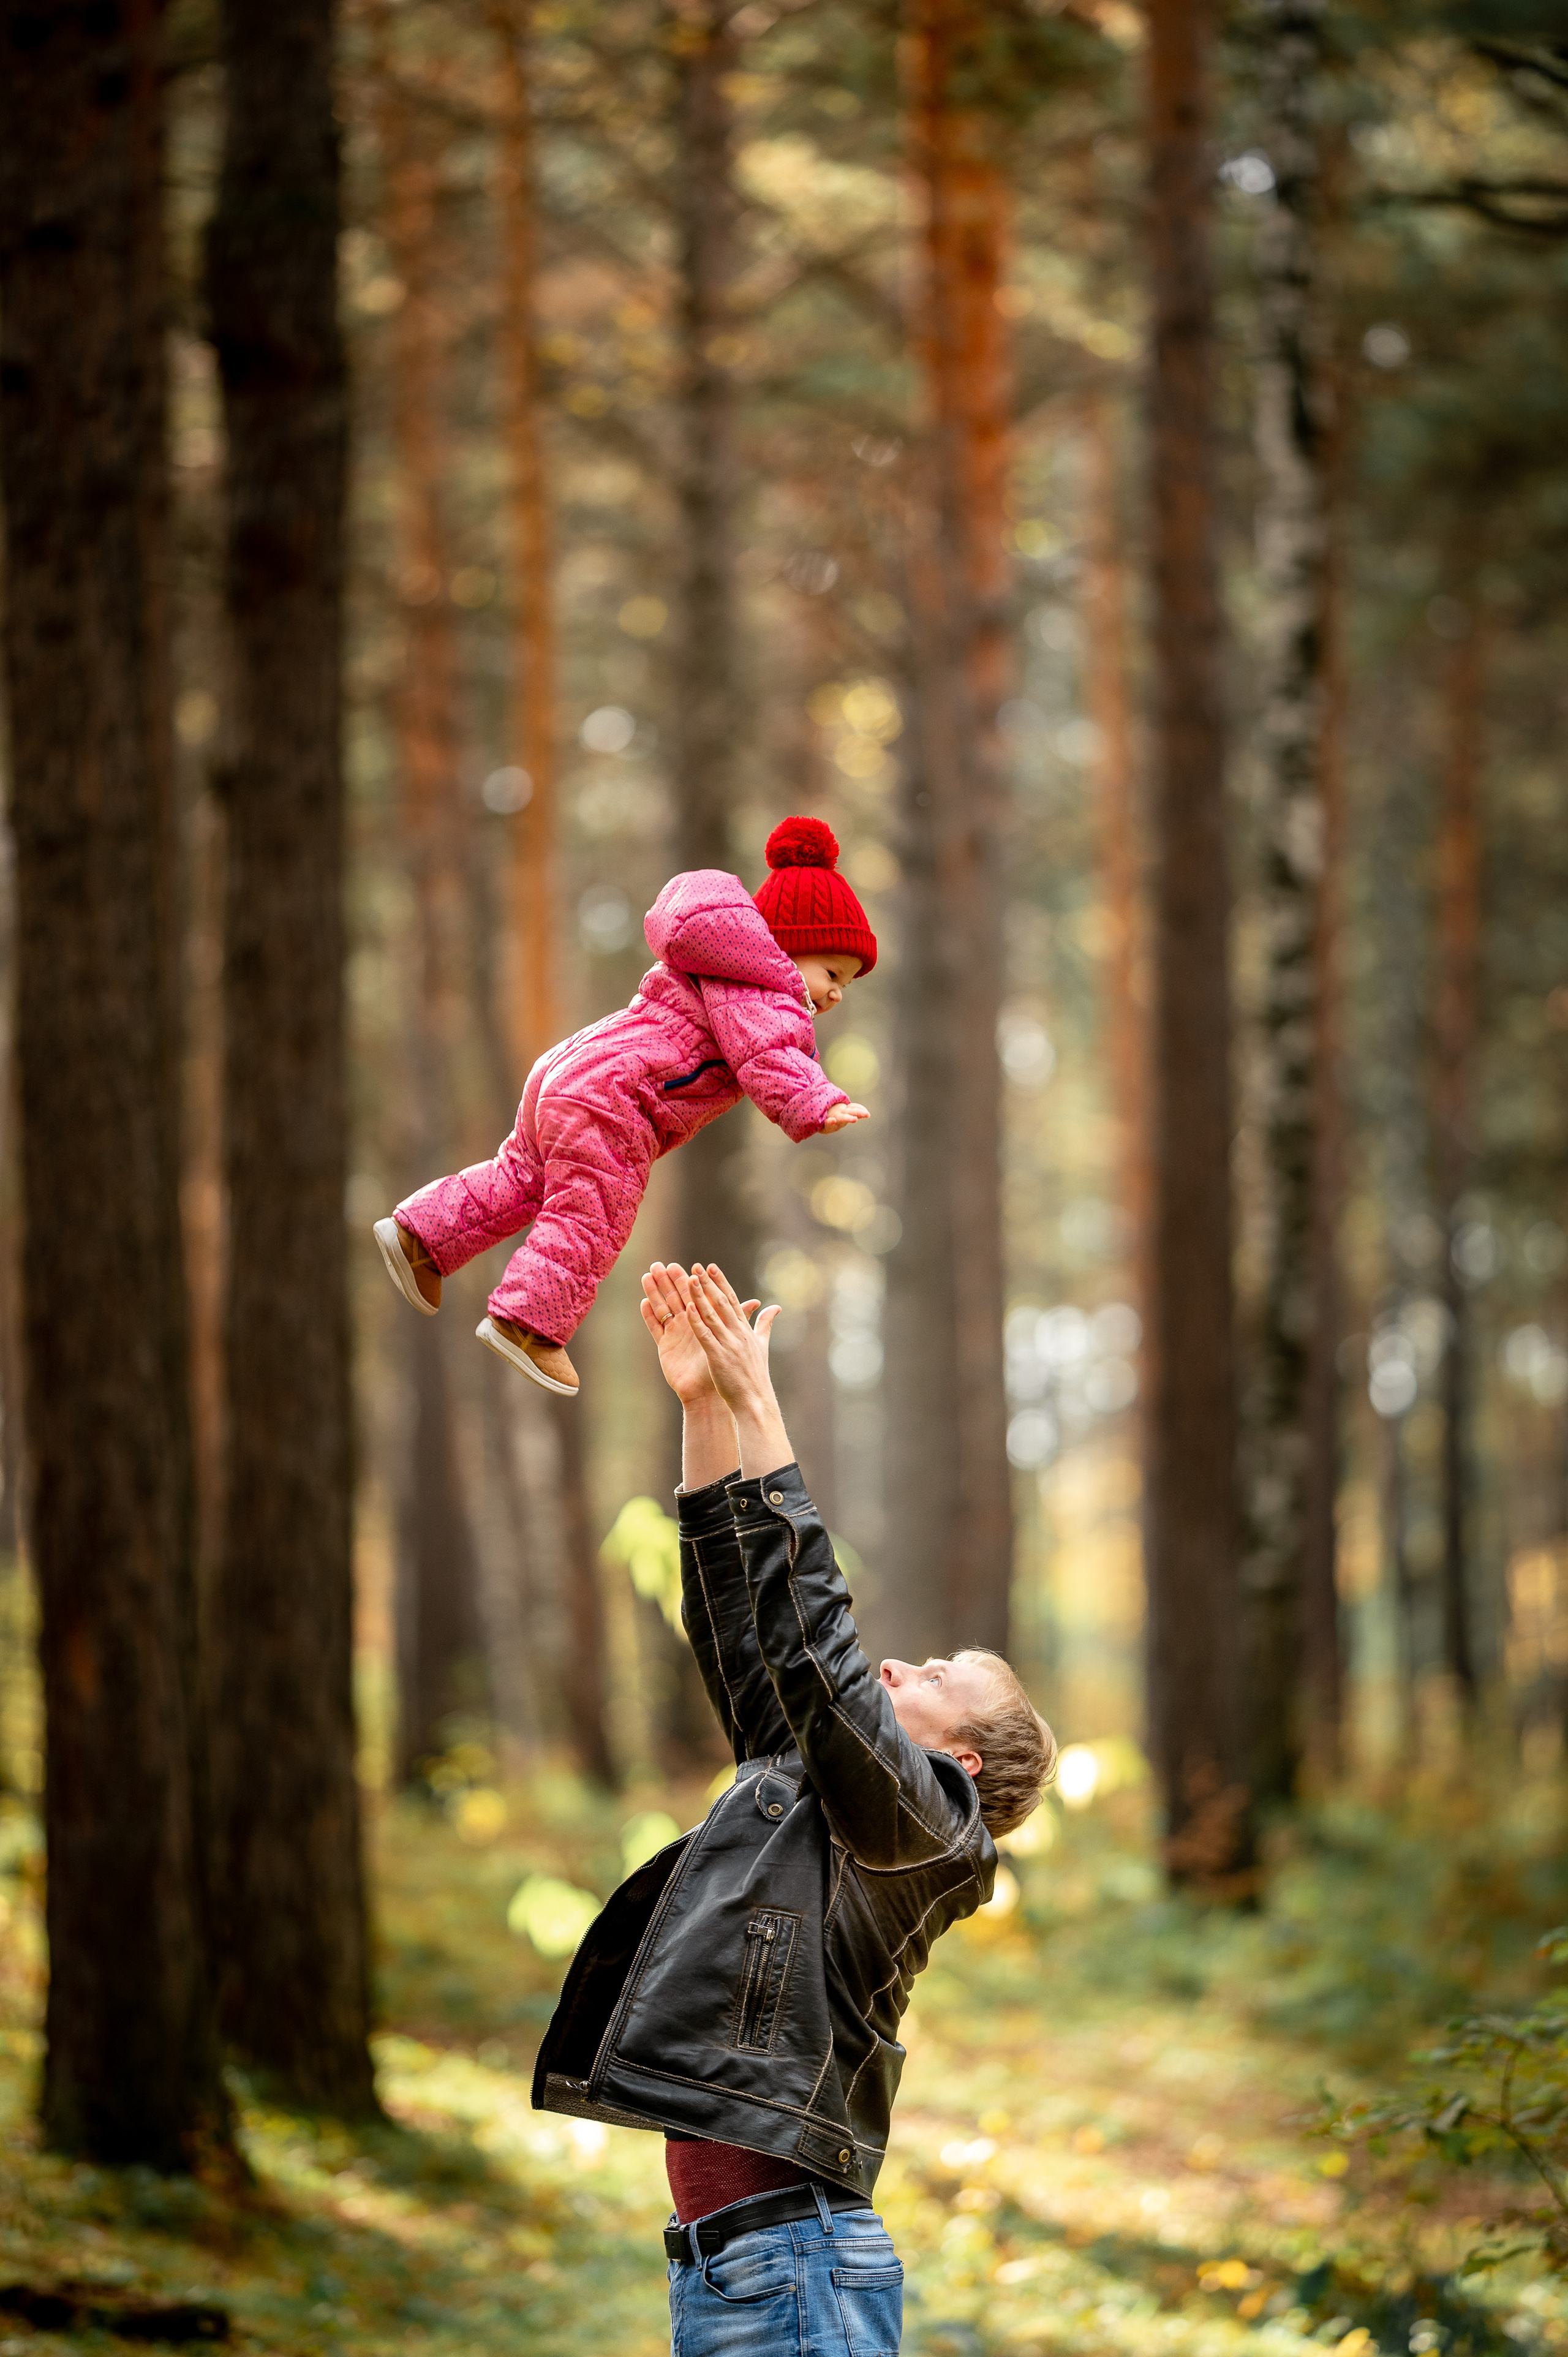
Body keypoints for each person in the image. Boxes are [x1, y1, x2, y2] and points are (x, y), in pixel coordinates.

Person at [532, 1258, 1057, 2356]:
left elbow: (820, 1646)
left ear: (958, 1756)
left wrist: (763, 1401)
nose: (906, 1662)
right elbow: (745, 1632)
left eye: (940, 1672)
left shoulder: (929, 1831)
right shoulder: (836, 1797)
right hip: (748, 2267)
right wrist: (706, 1410)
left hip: (792, 2266)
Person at [372, 815, 875, 1397]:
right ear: (789, 947)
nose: (836, 993)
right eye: (833, 972)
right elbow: (770, 1054)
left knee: (523, 1176)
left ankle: (420, 1239)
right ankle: (529, 1322)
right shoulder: (765, 989)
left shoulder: (715, 961)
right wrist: (816, 1101)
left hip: (572, 1071)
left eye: (849, 983)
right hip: (620, 1100)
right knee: (595, 1209)